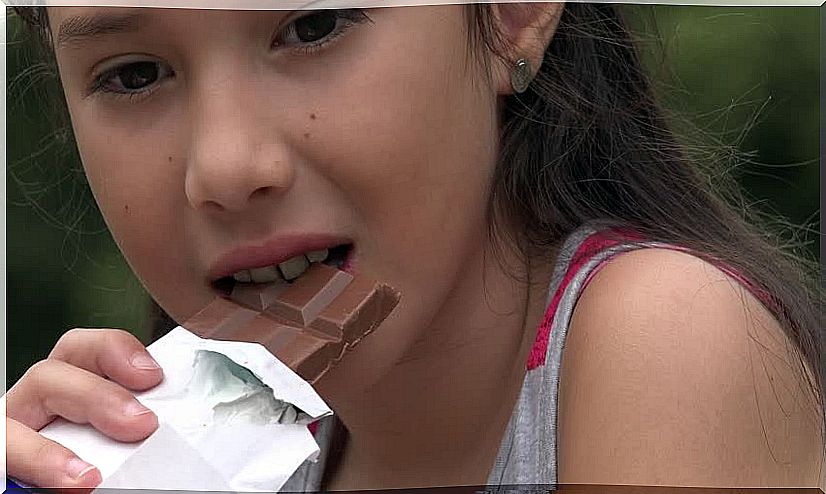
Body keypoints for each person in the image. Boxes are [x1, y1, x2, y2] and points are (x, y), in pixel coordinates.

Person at [6, 3, 824, 492]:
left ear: (510, 15)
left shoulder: (669, 334)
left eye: (313, 25)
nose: (225, 168)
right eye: (134, 75)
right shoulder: (219, 459)